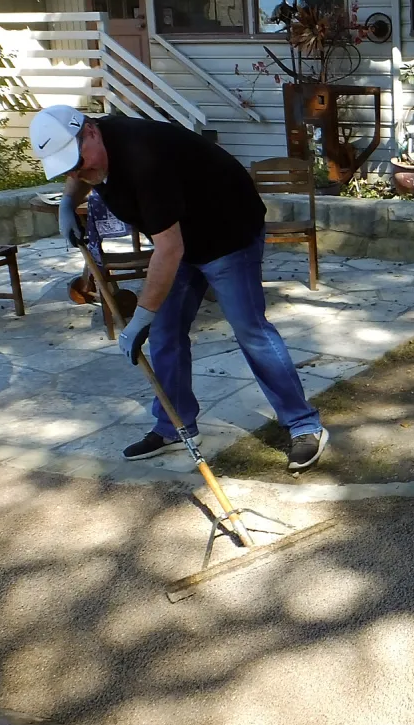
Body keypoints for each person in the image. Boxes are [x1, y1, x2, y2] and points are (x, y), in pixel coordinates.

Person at [28, 106, 328, 471]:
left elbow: (169, 249)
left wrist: (139, 317)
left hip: (228, 235)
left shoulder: (144, 158)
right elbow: (80, 172)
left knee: (251, 330)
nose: (78, 172)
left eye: (78, 161)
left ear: (90, 131)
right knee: (166, 333)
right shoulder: (91, 150)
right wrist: (67, 202)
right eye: (68, 168)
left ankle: (303, 425)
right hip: (182, 236)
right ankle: (174, 425)